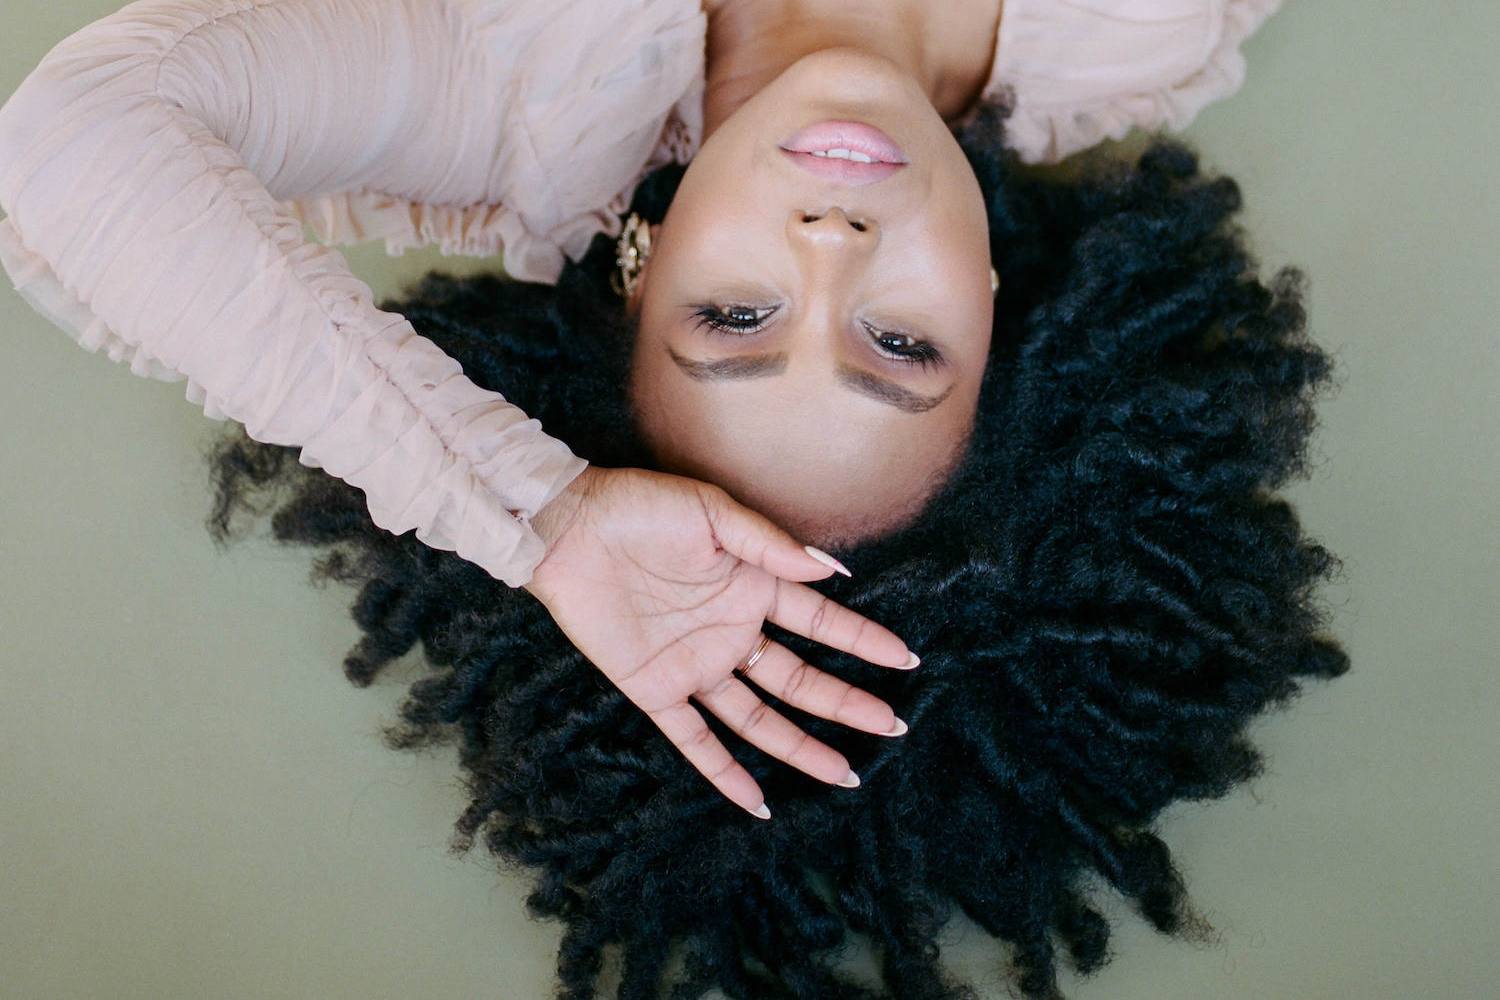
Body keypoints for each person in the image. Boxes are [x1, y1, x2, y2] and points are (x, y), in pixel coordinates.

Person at [0, 0, 1287, 823]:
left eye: (735, 318)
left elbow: (74, 138)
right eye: (898, 341)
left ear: (644, 260)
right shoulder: (1141, 29)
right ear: (996, 301)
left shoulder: (509, 80)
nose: (830, 246)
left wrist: (535, 513)